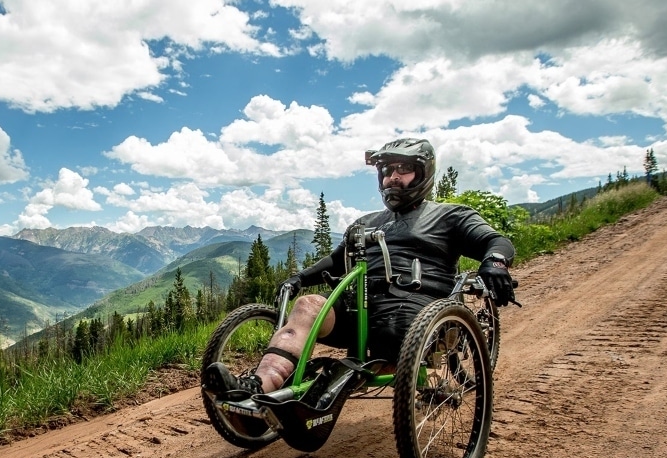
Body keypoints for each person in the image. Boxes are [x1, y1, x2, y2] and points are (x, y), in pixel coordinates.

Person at [203, 137, 517, 400]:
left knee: (391, 334)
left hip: (417, 312)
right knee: (308, 305)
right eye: (387, 171)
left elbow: (494, 241)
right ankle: (259, 388)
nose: (393, 177)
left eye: (403, 169)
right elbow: (337, 261)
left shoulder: (450, 216)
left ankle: (347, 383)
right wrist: (299, 279)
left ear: (423, 173)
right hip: (362, 310)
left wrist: (496, 262)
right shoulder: (366, 222)